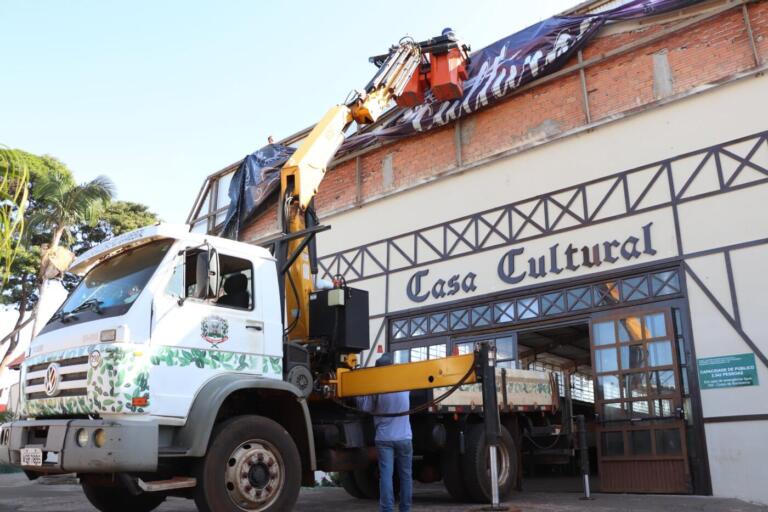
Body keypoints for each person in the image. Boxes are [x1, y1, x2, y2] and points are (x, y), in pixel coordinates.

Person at [357, 352, 413, 512]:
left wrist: (359, 393)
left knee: (386, 476)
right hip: (404, 438)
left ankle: (387, 509)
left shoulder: (376, 387)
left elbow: (365, 407)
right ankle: (405, 509)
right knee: (406, 476)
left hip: (384, 439)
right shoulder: (404, 384)